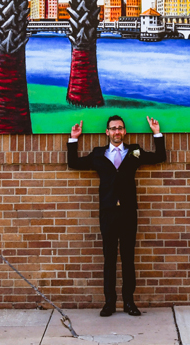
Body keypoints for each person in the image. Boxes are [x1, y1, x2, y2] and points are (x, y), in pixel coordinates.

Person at [68, 115, 165, 317]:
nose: (117, 132)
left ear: (125, 132)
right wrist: (74, 138)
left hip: (129, 212)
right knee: (109, 258)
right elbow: (74, 163)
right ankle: (109, 303)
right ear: (107, 132)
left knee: (128, 259)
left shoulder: (134, 152)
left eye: (120, 128)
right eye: (113, 129)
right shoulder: (98, 154)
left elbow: (160, 157)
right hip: (108, 213)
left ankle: (129, 302)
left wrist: (157, 133)